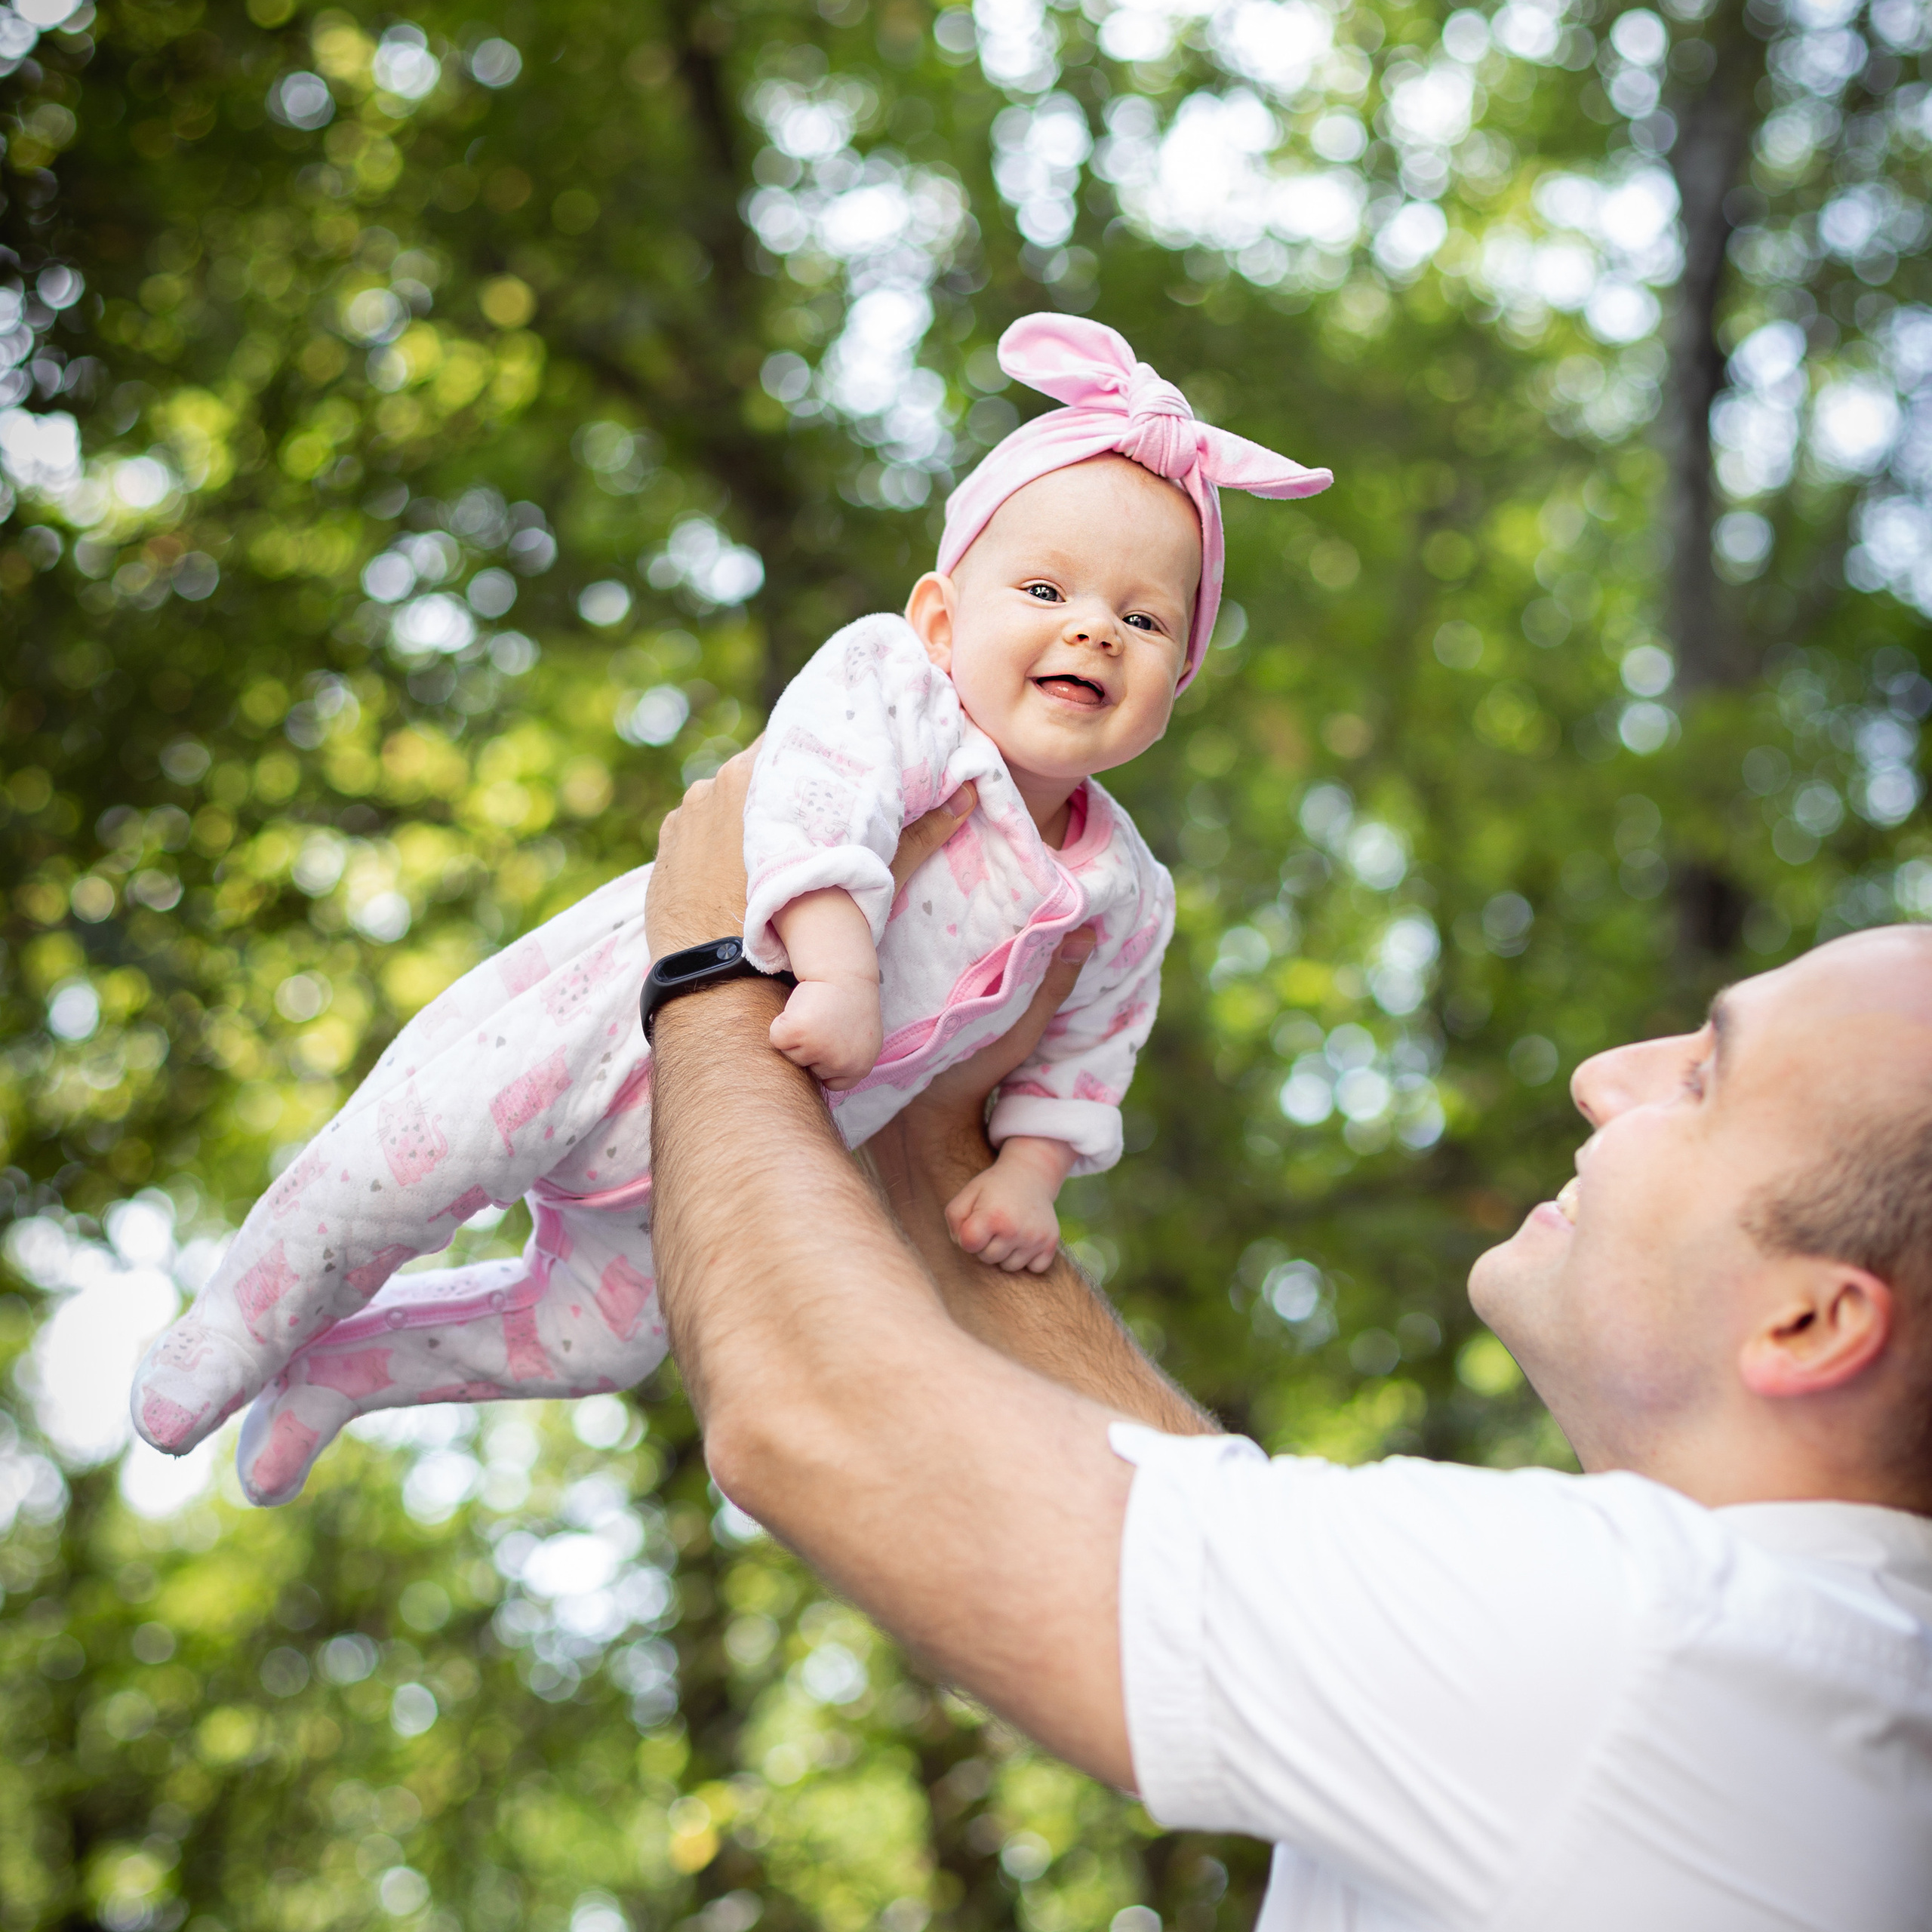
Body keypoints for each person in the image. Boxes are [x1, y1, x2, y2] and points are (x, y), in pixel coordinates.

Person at [643, 752, 1932, 1930]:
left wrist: (713, 966)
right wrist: (945, 1123)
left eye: (1703, 1080)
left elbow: (821, 1424)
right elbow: (1164, 1513)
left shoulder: (1654, 1643)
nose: (1603, 1076)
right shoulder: (1818, 1673)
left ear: (1812, 1323)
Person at [128, 314, 1330, 1506]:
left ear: (1178, 679)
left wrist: (1031, 1169)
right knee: (395, 1171)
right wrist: (836, 963)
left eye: (1144, 619)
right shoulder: (898, 695)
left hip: (746, 1139)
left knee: (601, 1342)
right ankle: (232, 1325)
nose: (1094, 628)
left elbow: (1091, 1046)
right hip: (609, 1022)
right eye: (1046, 587)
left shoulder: (1124, 891)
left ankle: (350, 1369)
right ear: (940, 621)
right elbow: (815, 795)